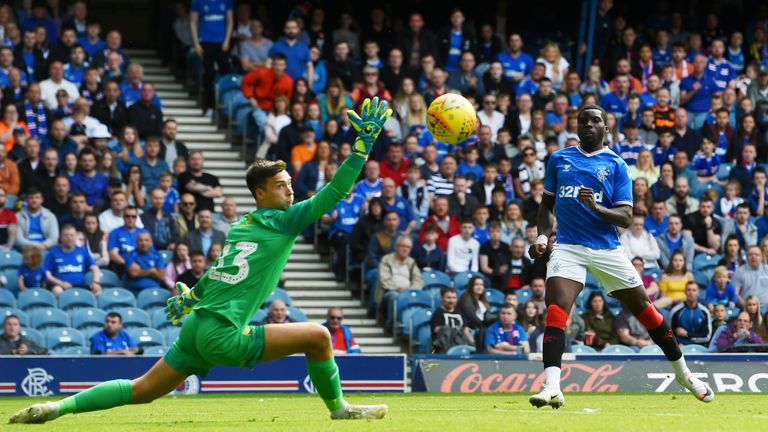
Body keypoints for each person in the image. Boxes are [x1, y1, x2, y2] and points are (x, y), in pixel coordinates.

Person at [10, 98, 393, 424]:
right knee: (319, 336)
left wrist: (193, 296)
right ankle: (339, 409)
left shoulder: (244, 225)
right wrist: (360, 149)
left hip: (198, 326)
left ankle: (55, 408)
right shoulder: (284, 222)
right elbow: (335, 193)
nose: (290, 189)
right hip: (222, 334)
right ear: (261, 193)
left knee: (143, 389)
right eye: (281, 185)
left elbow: (219, 272)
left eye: (290, 182)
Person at [527, 104, 713, 409]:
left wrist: (597, 209)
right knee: (556, 309)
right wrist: (544, 237)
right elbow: (546, 206)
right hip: (569, 247)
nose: (588, 125)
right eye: (582, 121)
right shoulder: (559, 159)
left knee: (649, 313)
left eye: (595, 121)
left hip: (607, 249)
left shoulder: (615, 165)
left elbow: (626, 217)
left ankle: (685, 374)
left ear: (605, 128)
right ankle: (551, 386)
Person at [190, 0, 233, 117]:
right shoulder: (198, 2)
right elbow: (193, 23)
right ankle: (210, 107)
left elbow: (230, 21)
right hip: (205, 42)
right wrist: (196, 44)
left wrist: (227, 40)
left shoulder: (226, 2)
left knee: (227, 75)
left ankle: (227, 106)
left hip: (222, 43)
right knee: (208, 76)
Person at [376, 235, 423, 326]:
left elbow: (418, 279)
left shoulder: (411, 262)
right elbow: (385, 280)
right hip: (390, 292)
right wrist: (398, 289)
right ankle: (391, 325)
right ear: (396, 246)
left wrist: (411, 290)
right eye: (403, 246)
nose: (405, 249)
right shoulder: (386, 259)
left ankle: (410, 326)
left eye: (408, 247)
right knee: (394, 296)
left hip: (408, 291)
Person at [44, 224, 102, 297]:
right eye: (66, 235)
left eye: (72, 235)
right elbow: (47, 274)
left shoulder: (83, 251)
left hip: (81, 286)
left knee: (98, 291)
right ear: (60, 237)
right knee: (57, 291)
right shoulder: (53, 253)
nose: (69, 238)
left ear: (75, 237)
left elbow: (95, 268)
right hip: (61, 286)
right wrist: (61, 283)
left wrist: (96, 282)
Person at [430, 287, 473, 352]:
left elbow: (465, 330)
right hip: (443, 348)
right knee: (446, 330)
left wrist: (473, 344)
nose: (452, 301)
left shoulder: (460, 312)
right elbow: (438, 330)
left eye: (454, 298)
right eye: (448, 298)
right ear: (442, 298)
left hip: (460, 343)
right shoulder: (438, 313)